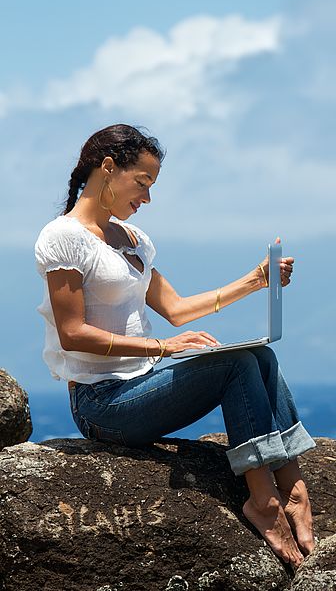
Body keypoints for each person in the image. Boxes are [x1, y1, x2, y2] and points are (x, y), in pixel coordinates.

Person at [34, 124, 316, 567]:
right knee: (234, 367)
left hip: (142, 383)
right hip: (102, 402)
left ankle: (293, 487)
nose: (146, 199)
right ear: (108, 168)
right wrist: (163, 348)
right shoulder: (63, 238)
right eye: (142, 183)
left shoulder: (133, 241)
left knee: (259, 356)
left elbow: (177, 309)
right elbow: (74, 333)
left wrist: (256, 280)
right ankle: (262, 501)